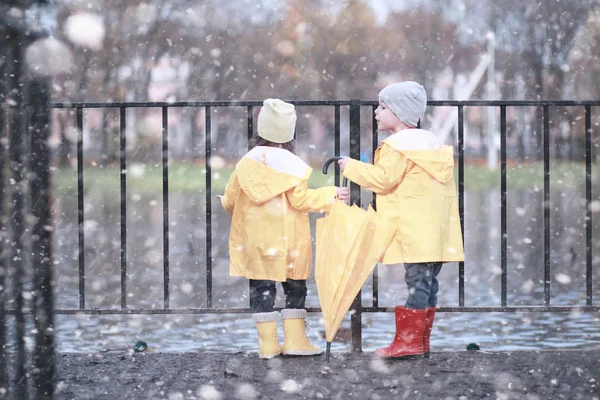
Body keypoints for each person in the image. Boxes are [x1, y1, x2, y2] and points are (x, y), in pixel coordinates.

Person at [338, 81, 464, 359]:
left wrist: (352, 167)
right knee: (428, 283)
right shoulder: (431, 144)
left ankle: (408, 342)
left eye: (383, 107)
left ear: (399, 112)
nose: (376, 112)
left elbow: (383, 181)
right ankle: (421, 341)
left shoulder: (398, 147)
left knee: (417, 283)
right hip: (434, 230)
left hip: (413, 230)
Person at [219, 98, 350, 359]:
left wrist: (228, 205)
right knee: (295, 289)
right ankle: (295, 342)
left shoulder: (245, 164)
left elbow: (232, 200)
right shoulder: (293, 167)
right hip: (289, 241)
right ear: (288, 135)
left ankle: (267, 346)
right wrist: (331, 194)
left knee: (261, 289)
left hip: (257, 242)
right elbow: (300, 200)